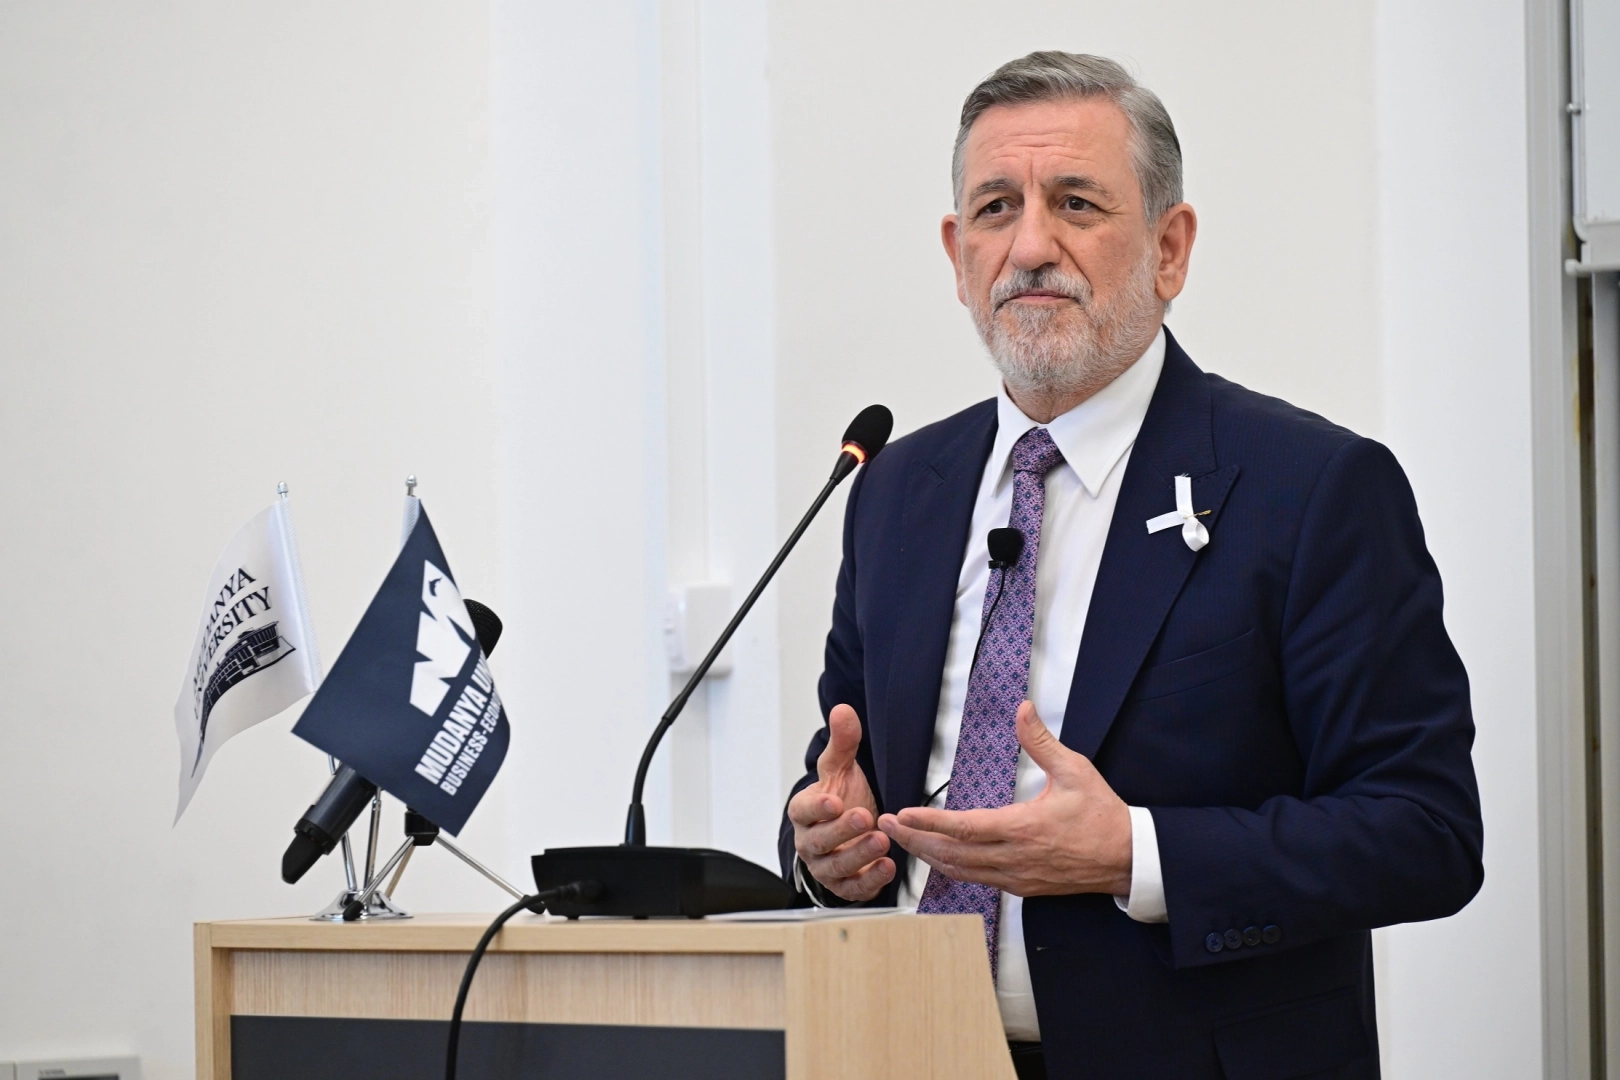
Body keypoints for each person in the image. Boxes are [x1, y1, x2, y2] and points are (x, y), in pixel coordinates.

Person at [779, 51, 1483, 1080]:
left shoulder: (1311, 488)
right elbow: (848, 774)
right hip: (912, 1052)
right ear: (958, 255)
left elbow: (1425, 831)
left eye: (1075, 203)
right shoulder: (895, 492)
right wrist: (827, 849)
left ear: (1170, 247)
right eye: (995, 209)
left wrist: (1135, 855)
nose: (1030, 246)